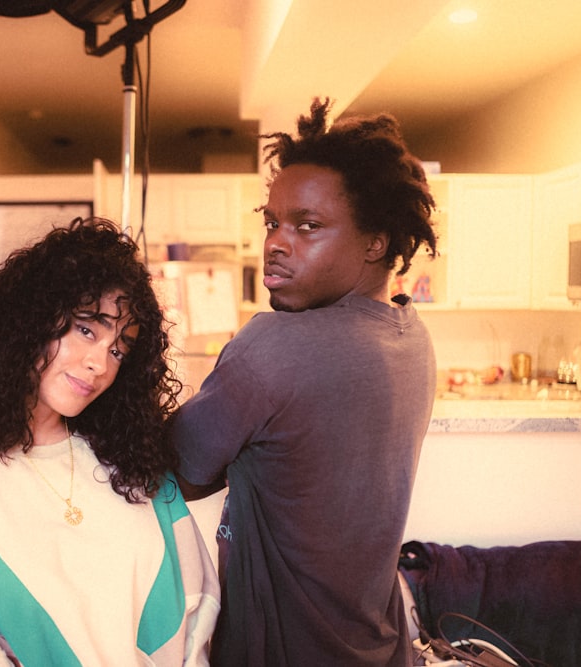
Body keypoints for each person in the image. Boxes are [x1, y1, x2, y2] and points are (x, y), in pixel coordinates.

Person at [0, 218, 219, 666]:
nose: (100, 362)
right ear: (31, 320)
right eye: (86, 330)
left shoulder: (134, 467)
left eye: (119, 349)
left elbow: (192, 609)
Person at [170, 98, 438, 666]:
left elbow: (176, 471)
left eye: (308, 226)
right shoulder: (411, 336)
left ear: (376, 242)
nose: (276, 242)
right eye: (272, 222)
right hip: (380, 646)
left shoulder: (274, 347)